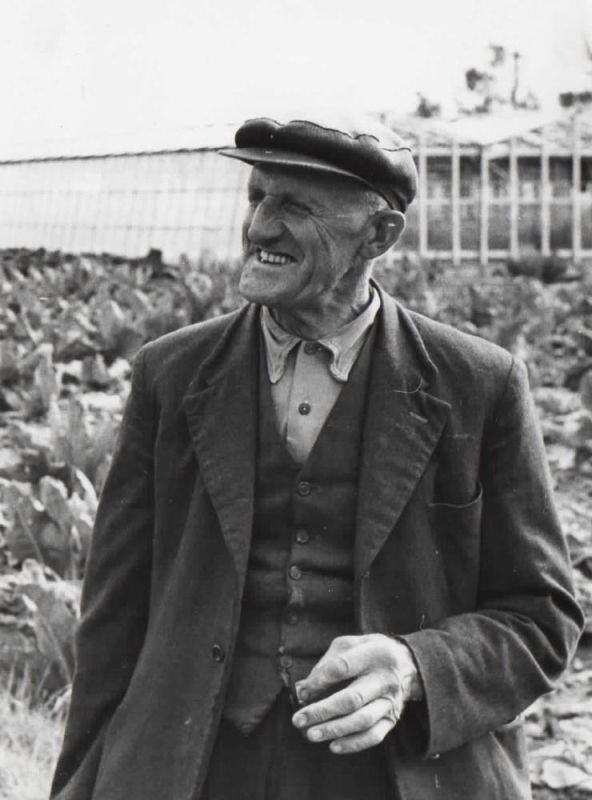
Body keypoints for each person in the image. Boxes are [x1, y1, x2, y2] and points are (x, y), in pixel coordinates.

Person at [51, 115, 583, 800]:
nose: (261, 228)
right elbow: (111, 618)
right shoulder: (171, 373)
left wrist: (413, 666)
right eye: (257, 198)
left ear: (379, 235)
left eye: (296, 207)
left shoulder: (478, 384)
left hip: (397, 773)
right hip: (196, 766)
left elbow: (541, 616)